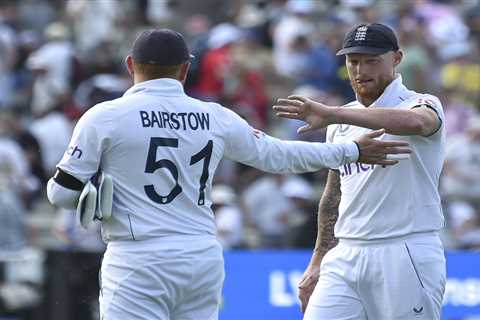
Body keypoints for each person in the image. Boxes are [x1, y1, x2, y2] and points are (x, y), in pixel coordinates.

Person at [46, 28, 409, 320]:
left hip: (138, 256)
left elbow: (61, 195)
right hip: (201, 256)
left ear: (130, 65)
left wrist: (96, 194)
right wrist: (352, 150)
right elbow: (278, 156)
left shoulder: (104, 116)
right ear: (186, 69)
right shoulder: (214, 116)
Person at [274, 23, 446, 320]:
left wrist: (331, 113)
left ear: (396, 58)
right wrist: (318, 259)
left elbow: (419, 124)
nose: (360, 70)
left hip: (405, 249)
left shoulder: (421, 103)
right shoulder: (340, 122)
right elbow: (334, 194)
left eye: (372, 61)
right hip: (346, 253)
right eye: (353, 61)